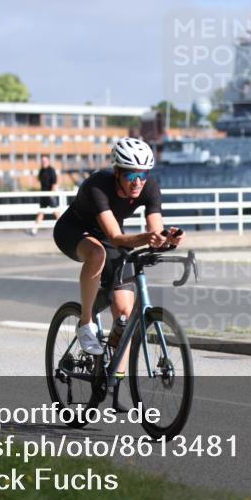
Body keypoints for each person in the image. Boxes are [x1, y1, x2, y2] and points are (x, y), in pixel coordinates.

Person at [53, 137, 184, 367]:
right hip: (74, 230)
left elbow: (155, 231)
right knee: (97, 254)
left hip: (109, 234)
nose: (138, 182)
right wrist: (147, 237)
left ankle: (115, 385)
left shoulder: (150, 187)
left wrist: (167, 238)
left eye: (142, 175)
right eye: (131, 176)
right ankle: (85, 323)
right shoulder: (97, 186)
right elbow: (115, 237)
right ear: (117, 173)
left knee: (124, 313)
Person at [31, 155, 61, 235]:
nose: (43, 162)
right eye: (42, 161)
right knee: (41, 212)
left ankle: (63, 228)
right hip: (43, 194)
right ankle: (35, 229)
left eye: (45, 161)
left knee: (56, 212)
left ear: (48, 161)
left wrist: (51, 194)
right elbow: (38, 181)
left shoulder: (51, 170)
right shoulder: (41, 170)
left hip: (50, 194)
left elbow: (54, 183)